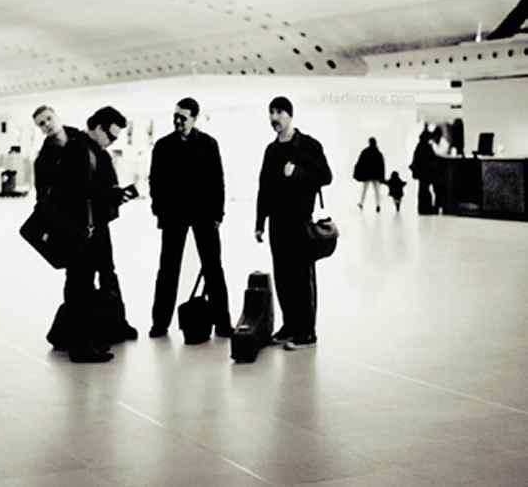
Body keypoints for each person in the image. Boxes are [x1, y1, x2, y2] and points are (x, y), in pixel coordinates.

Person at [42, 105, 137, 362]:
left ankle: (107, 329)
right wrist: (112, 194)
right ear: (96, 127)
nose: (112, 141)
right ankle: (80, 345)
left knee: (100, 275)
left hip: (95, 226)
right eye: (111, 135)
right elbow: (79, 191)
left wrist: (115, 195)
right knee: (80, 283)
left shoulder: (94, 150)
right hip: (79, 229)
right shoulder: (77, 149)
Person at [148, 97, 233, 339]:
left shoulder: (209, 144)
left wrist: (218, 213)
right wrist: (159, 211)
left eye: (183, 118)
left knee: (213, 267)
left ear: (194, 119)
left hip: (203, 213)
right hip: (173, 215)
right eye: (175, 116)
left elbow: (217, 181)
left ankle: (223, 323)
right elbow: (155, 181)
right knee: (168, 269)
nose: (178, 121)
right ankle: (160, 323)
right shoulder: (163, 146)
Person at [254, 96, 332, 350]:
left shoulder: (308, 145)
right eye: (271, 112)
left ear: (290, 115)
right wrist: (260, 222)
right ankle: (290, 326)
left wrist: (297, 173)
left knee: (301, 278)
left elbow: (326, 176)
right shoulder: (271, 150)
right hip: (277, 223)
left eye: (279, 112)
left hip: (300, 221)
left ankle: (307, 332)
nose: (274, 118)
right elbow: (264, 188)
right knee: (283, 278)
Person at [353, 137, 386, 212]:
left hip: (367, 175)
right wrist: (382, 177)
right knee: (377, 191)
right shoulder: (378, 153)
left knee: (364, 189)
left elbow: (360, 163)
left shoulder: (365, 152)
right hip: (376, 175)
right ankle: (378, 205)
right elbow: (382, 166)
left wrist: (358, 173)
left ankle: (361, 203)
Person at [409, 130, 437, 214]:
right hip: (427, 172)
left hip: (421, 172)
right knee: (426, 190)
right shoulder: (428, 147)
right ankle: (427, 208)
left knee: (422, 189)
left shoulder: (419, 146)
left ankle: (422, 208)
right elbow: (432, 159)